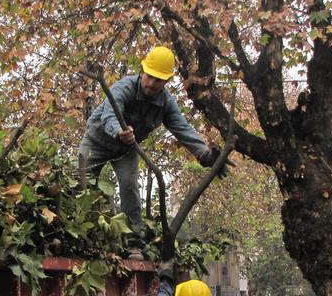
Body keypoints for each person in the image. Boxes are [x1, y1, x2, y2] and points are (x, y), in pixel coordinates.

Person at [79, 46, 231, 260]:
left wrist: (205, 155)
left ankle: (133, 242)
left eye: (157, 80)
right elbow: (109, 115)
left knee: (130, 186)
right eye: (149, 77)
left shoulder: (166, 103)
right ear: (142, 71)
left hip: (125, 151)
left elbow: (183, 129)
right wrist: (120, 131)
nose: (151, 84)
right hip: (96, 143)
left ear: (166, 82)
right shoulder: (123, 88)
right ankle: (78, 234)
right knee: (80, 184)